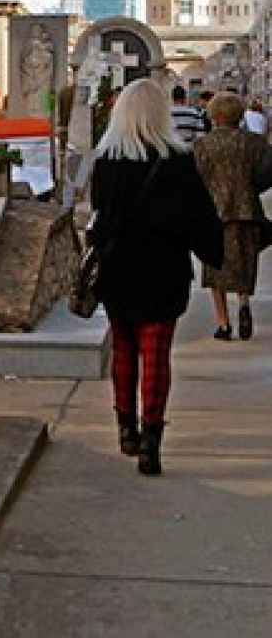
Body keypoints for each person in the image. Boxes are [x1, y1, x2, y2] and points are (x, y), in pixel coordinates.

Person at [90, 78, 223, 477]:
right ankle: (151, 441)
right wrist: (214, 253)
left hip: (117, 269)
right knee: (156, 356)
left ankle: (125, 428)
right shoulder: (178, 162)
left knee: (124, 350)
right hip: (163, 270)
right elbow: (200, 218)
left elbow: (100, 213)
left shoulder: (106, 162)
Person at [193, 92, 272, 342]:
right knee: (244, 263)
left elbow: (197, 179)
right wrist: (253, 188)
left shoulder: (203, 144)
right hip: (247, 211)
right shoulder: (255, 143)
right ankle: (244, 301)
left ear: (214, 116)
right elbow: (268, 172)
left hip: (214, 213)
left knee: (215, 267)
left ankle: (223, 324)